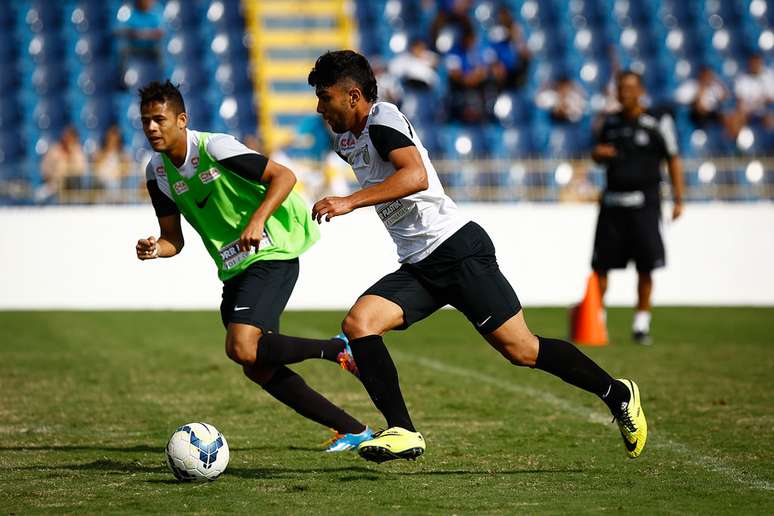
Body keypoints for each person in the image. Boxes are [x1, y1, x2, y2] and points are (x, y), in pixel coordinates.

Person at [307, 50, 647, 463]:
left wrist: (350, 201)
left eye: (325, 97)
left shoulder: (383, 120)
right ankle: (403, 431)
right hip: (420, 264)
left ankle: (617, 392)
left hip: (457, 250)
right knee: (359, 324)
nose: (320, 107)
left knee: (522, 350)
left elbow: (415, 176)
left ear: (354, 95)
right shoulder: (346, 140)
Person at [134, 80, 372, 452]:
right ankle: (353, 429)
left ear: (182, 120)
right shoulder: (157, 173)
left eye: (159, 119)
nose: (151, 128)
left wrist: (258, 219)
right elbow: (173, 240)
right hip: (235, 269)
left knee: (243, 347)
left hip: (271, 248)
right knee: (257, 365)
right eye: (146, 121)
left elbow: (284, 176)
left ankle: (339, 349)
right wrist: (155, 247)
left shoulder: (214, 147)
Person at [591, 70, 685, 344]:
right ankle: (598, 323)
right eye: (621, 88)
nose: (625, 93)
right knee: (601, 268)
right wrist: (598, 155)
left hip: (645, 205)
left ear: (640, 90)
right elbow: (598, 155)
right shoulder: (609, 123)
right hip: (612, 205)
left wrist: (679, 199)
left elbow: (674, 159)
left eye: (631, 88)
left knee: (646, 267)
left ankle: (641, 326)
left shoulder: (657, 122)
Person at [39, 125, 88, 202]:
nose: (68, 139)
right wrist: (50, 179)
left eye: (71, 137)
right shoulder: (54, 150)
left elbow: (81, 169)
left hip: (73, 186)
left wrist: (70, 157)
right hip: (54, 186)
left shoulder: (78, 152)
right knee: (40, 195)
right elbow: (45, 168)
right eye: (66, 136)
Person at [93, 125, 131, 200]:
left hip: (118, 185)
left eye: (115, 139)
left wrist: (117, 174)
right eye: (110, 138)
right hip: (103, 185)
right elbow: (96, 170)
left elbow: (126, 171)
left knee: (114, 184)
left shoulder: (123, 155)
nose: (113, 141)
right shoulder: (100, 154)